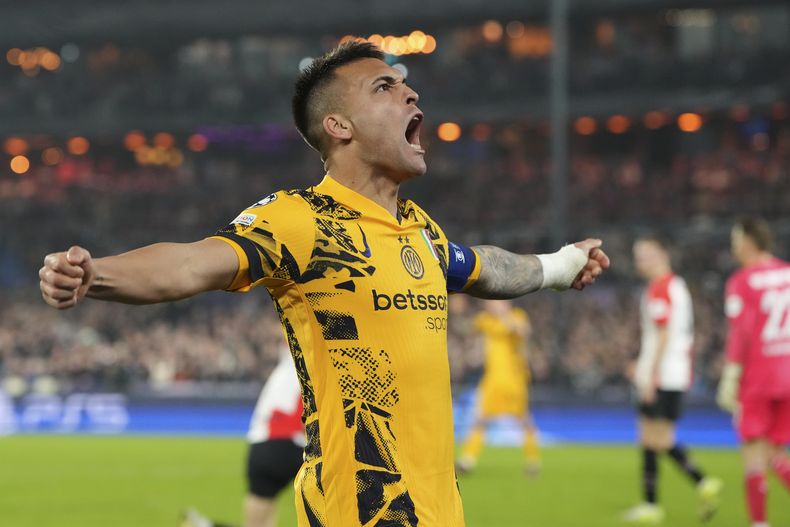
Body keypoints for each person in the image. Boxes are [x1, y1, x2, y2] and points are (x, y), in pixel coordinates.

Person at [39, 41, 609, 527]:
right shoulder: (300, 220)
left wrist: (560, 264)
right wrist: (95, 275)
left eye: (407, 86)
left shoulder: (418, 231)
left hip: (441, 509)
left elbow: (485, 267)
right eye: (385, 87)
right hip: (362, 507)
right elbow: (192, 263)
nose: (412, 95)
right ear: (339, 126)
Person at [623, 235, 721, 525]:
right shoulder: (677, 285)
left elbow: (663, 333)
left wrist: (649, 374)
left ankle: (691, 486)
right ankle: (673, 495)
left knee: (653, 438)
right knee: (657, 439)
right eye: (638, 256)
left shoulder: (661, 287)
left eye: (646, 254)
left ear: (663, 253)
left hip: (662, 374)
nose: (641, 262)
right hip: (674, 372)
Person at [717, 218, 790, 527]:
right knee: (775, 452)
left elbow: (742, 333)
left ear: (748, 240)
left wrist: (731, 376)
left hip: (758, 377)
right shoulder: (788, 273)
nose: (733, 246)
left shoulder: (742, 280)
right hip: (787, 373)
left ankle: (759, 524)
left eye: (736, 238)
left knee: (753, 452)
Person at [182, 346, 305, 527]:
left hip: (262, 445)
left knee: (257, 522)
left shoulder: (283, 369)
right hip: (291, 443)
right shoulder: (306, 363)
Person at [457, 299, 540, 476]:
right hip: (492, 378)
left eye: (494, 302)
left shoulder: (516, 316)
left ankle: (532, 462)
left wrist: (504, 316)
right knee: (480, 419)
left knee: (524, 419)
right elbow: (466, 329)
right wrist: (458, 309)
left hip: (515, 378)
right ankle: (467, 461)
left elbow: (524, 331)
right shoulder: (485, 319)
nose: (489, 305)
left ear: (505, 303)